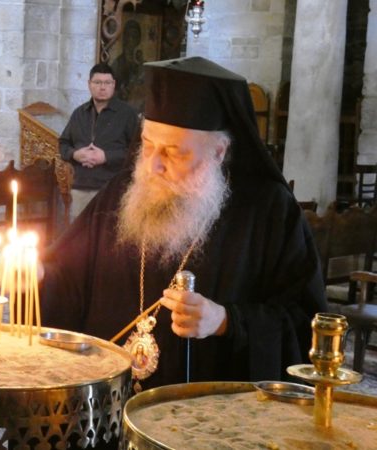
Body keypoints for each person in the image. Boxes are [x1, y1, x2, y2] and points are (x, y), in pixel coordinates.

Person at [41, 57, 327, 392]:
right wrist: (36, 277)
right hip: (110, 402)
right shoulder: (120, 193)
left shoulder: (268, 210)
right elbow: (66, 277)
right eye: (148, 146)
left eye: (174, 152)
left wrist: (225, 320)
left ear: (218, 152)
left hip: (206, 412)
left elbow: (306, 324)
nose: (154, 166)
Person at [58, 63, 138, 222]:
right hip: (81, 188)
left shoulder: (127, 114)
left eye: (107, 83)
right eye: (98, 82)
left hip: (113, 189)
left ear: (113, 84)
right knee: (79, 233)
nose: (102, 87)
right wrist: (75, 154)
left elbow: (137, 151)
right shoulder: (79, 113)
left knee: (107, 234)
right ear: (89, 84)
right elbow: (63, 144)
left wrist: (106, 156)